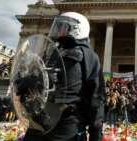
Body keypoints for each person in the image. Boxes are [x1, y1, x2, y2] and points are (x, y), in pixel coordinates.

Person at [23, 12, 105, 141]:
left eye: (63, 26)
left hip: (67, 124)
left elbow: (96, 98)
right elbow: (40, 82)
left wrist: (96, 133)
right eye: (58, 25)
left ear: (77, 29)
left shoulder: (88, 56)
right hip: (39, 122)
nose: (58, 29)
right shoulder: (51, 52)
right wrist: (26, 82)